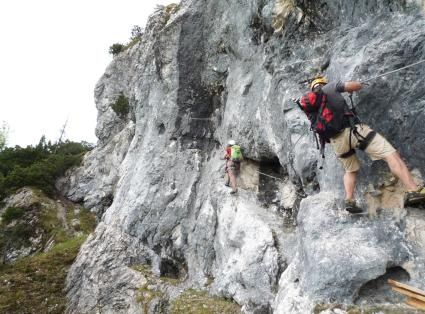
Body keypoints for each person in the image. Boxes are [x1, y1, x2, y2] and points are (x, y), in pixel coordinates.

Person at [307, 77, 425, 213]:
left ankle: (350, 200)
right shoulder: (331, 86)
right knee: (391, 155)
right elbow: (354, 86)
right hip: (355, 131)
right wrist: (359, 83)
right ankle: (414, 190)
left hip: (336, 141)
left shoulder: (312, 108)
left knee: (350, 171)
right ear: (323, 83)